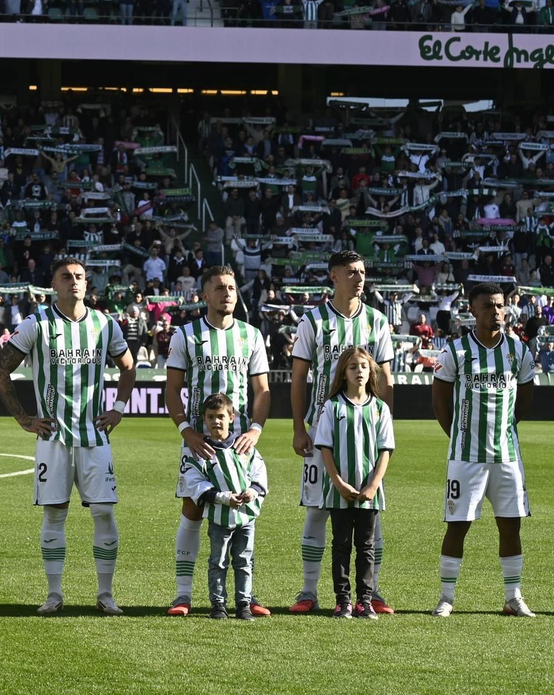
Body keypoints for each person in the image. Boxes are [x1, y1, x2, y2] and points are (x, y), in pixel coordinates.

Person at [0, 256, 137, 615]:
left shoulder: (104, 324)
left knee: (103, 512)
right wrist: (24, 419)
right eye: (66, 277)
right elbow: (0, 371)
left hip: (95, 436)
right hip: (53, 437)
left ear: (87, 283)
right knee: (54, 514)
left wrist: (119, 407)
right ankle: (54, 594)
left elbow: (128, 367)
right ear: (53, 285)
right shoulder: (36, 324)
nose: (74, 281)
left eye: (79, 276)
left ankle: (106, 595)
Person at [289, 250, 395, 614]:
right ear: (333, 276)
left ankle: (372, 591)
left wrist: (385, 425)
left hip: (367, 433)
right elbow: (299, 377)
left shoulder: (377, 320)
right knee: (317, 509)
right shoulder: (313, 320)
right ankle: (308, 591)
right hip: (322, 431)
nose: (359, 277)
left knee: (370, 511)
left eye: (362, 271)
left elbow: (386, 378)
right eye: (351, 272)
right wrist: (299, 427)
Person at [163, 266, 271, 616]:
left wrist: (255, 430)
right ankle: (183, 595)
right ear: (204, 295)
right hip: (200, 441)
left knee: (243, 514)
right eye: (220, 288)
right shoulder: (186, 334)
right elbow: (172, 389)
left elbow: (262, 390)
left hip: (239, 443)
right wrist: (186, 431)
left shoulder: (251, 335)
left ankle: (245, 594)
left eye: (232, 288)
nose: (227, 294)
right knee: (193, 509)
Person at [430, 282, 536, 618]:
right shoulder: (456, 351)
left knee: (511, 525)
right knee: (457, 525)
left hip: (507, 457)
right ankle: (446, 598)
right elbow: (440, 401)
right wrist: (459, 435)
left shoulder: (518, 351)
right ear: (472, 310)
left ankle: (513, 597)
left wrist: (506, 428)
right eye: (488, 306)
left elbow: (525, 397)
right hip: (466, 457)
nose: (496, 312)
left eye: (500, 306)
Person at [314, 347, 395, 620]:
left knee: (366, 545)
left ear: (371, 371)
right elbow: (325, 449)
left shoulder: (380, 408)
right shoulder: (332, 406)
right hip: (339, 491)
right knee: (341, 544)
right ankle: (343, 601)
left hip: (369, 491)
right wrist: (338, 483)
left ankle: (365, 601)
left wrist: (373, 486)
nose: (359, 371)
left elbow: (385, 451)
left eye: (363, 366)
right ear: (343, 373)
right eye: (352, 367)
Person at [179, 393, 267, 621]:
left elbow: (259, 473)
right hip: (219, 518)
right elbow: (196, 484)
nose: (216, 421)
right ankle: (218, 604)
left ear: (231, 417)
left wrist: (253, 491)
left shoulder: (244, 447)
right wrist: (223, 498)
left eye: (220, 416)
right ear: (204, 420)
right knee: (218, 562)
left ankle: (244, 603)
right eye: (210, 417)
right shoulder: (202, 451)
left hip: (246, 518)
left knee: (244, 561)